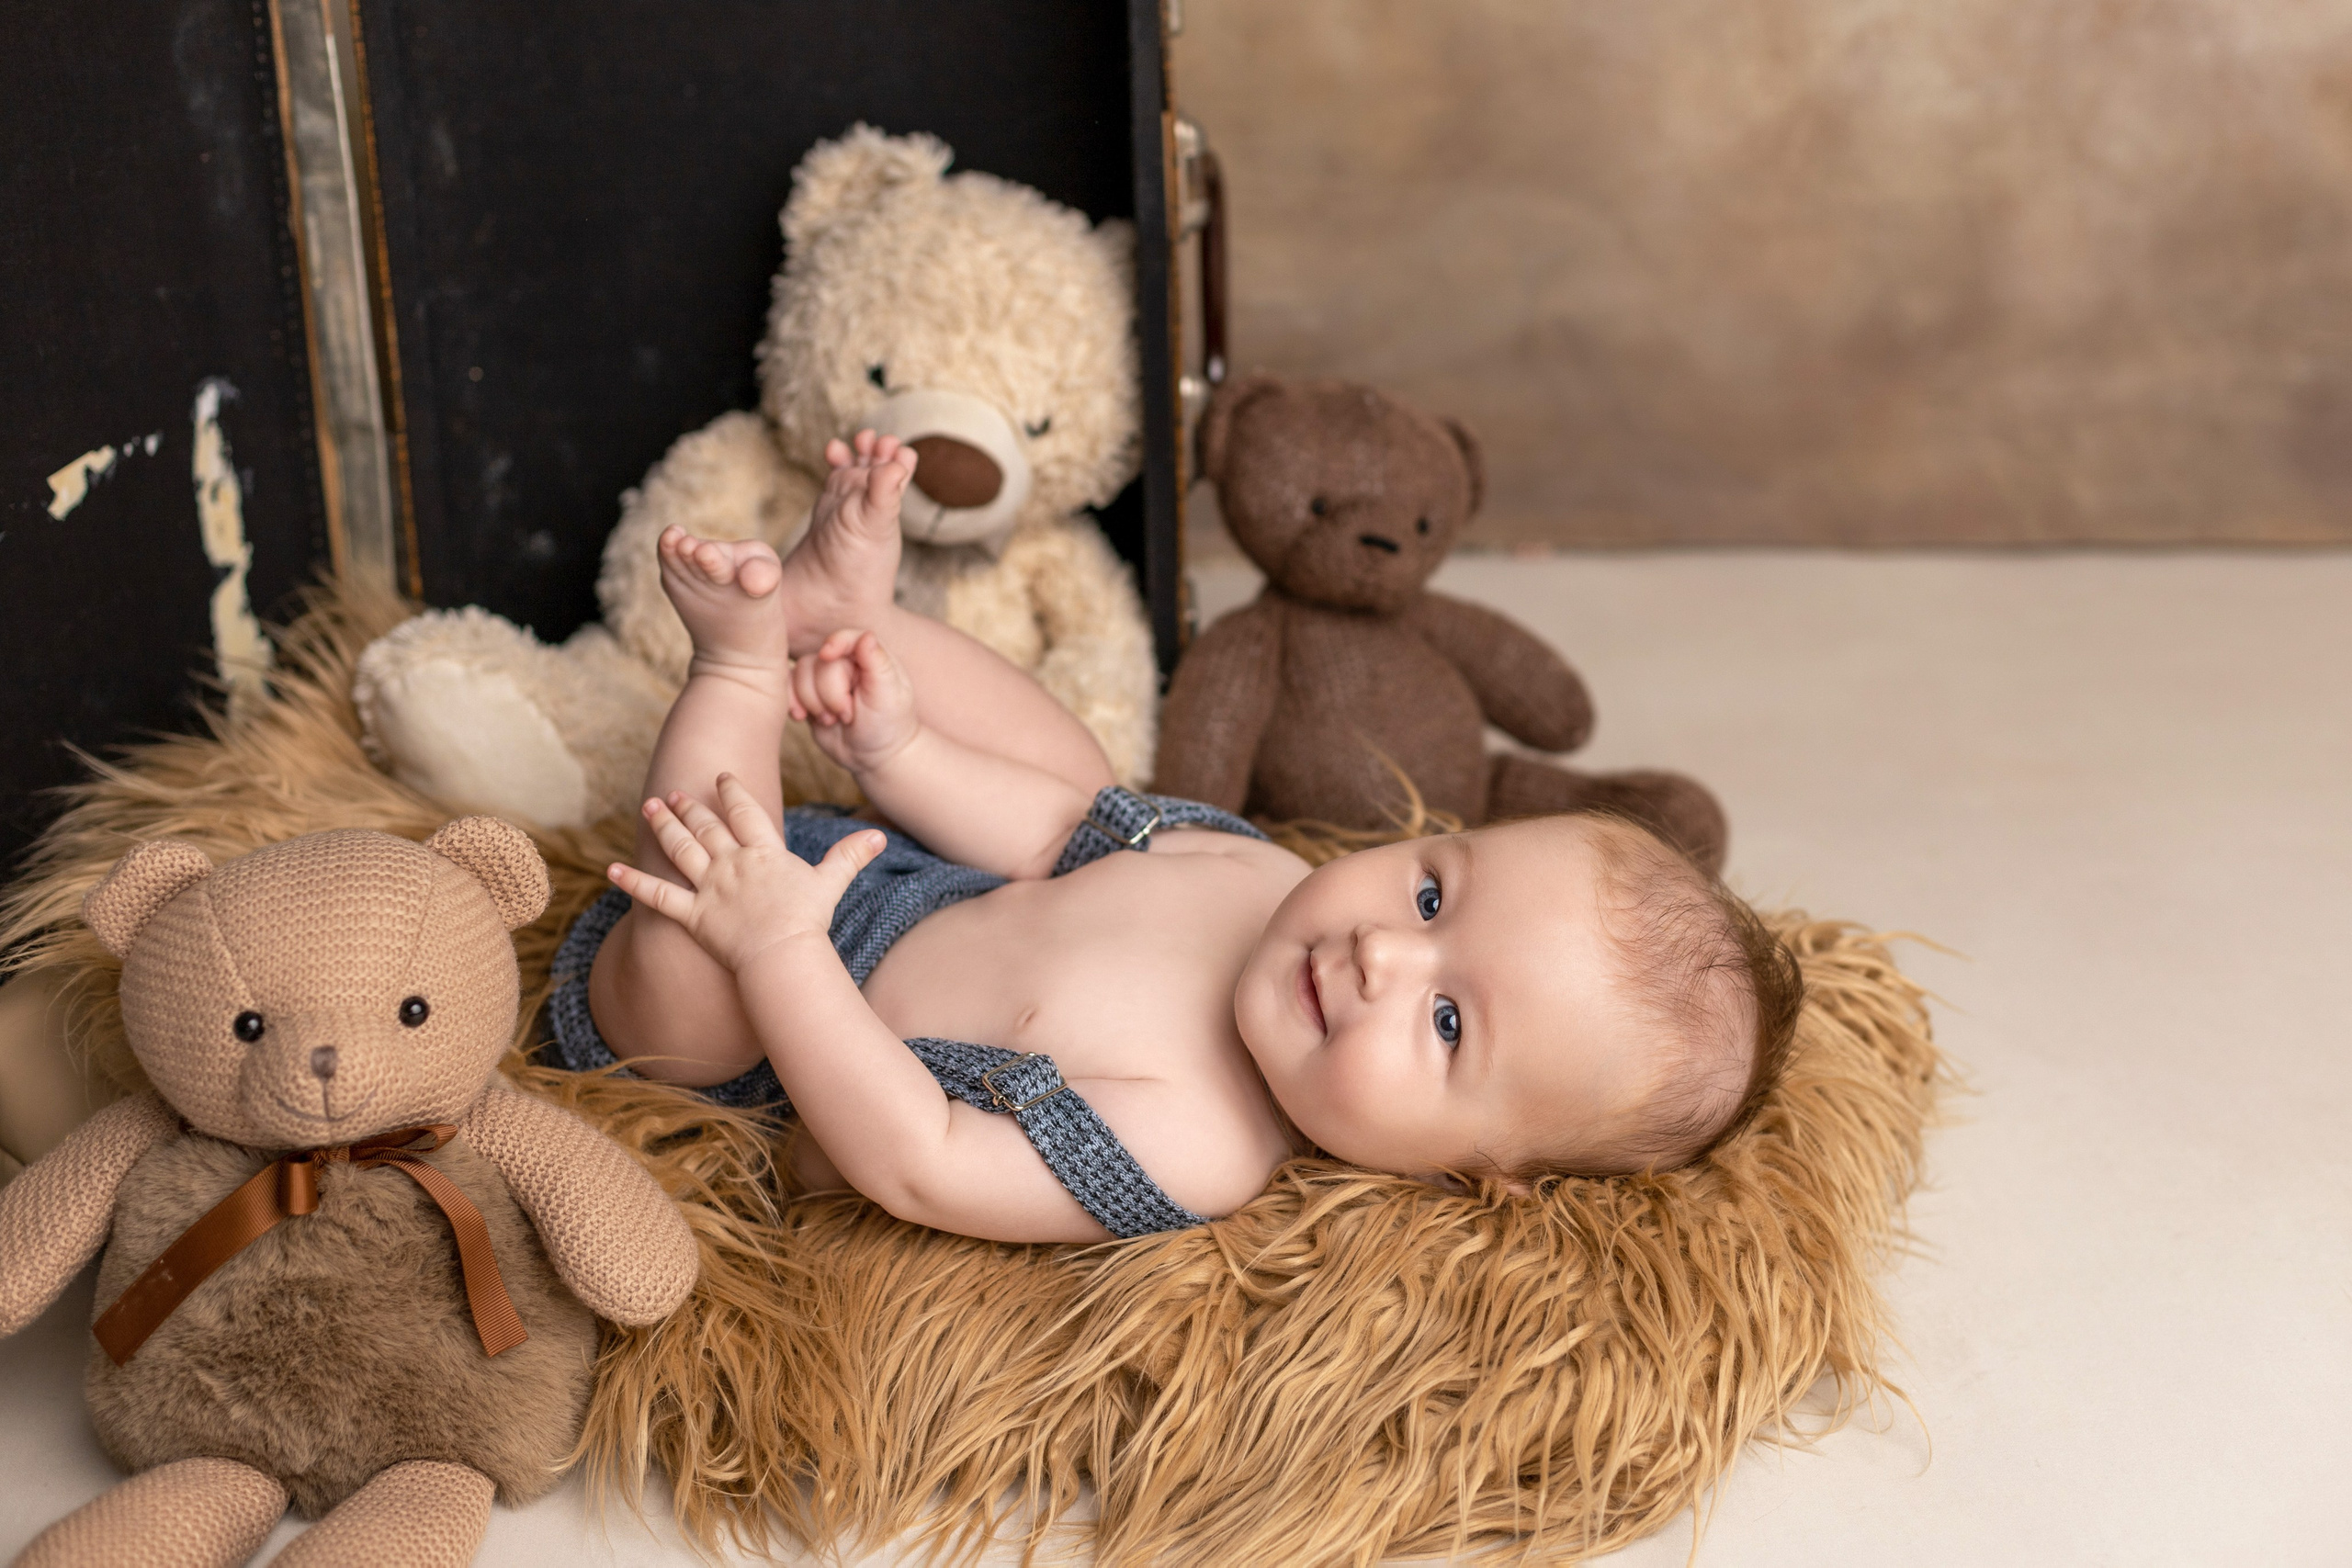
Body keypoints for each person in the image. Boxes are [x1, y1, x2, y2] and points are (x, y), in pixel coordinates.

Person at [556, 432, 1803, 1244]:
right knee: (1088, 782)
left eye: (1448, 1023)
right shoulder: (1262, 877)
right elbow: (1050, 833)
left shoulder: (1200, 1146)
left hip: (766, 1027)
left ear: (1477, 1173)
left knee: (683, 977)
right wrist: (900, 755)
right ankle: (855, 623)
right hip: (904, 878)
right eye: (1432, 900)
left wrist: (780, 949)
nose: (1385, 958)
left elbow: (920, 1159)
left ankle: (735, 668)